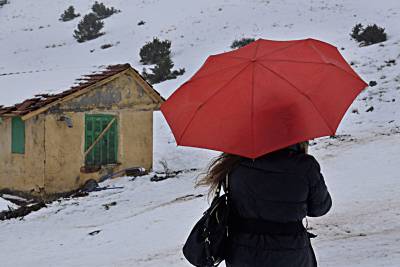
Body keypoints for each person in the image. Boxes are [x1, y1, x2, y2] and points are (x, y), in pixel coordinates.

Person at [197, 141, 332, 267]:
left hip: (243, 254)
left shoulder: (234, 163)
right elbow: (320, 208)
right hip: (292, 253)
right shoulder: (305, 166)